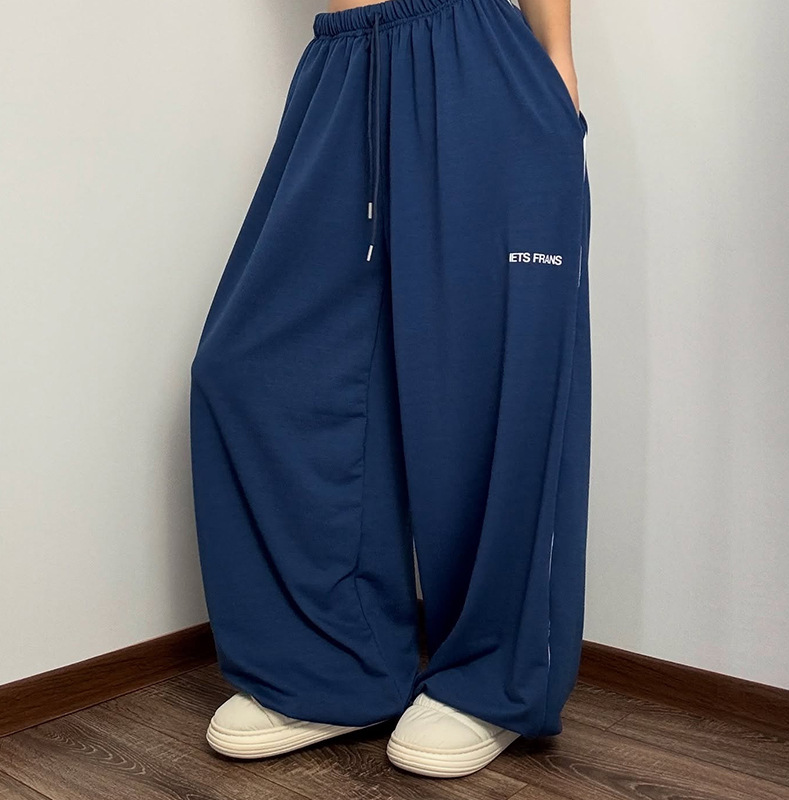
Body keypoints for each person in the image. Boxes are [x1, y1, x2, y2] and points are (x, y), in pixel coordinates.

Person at [189, 0, 590, 779]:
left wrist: (559, 68)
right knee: (252, 366)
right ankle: (333, 663)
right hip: (340, 66)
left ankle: (492, 678)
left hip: (473, 51)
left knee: (485, 381)